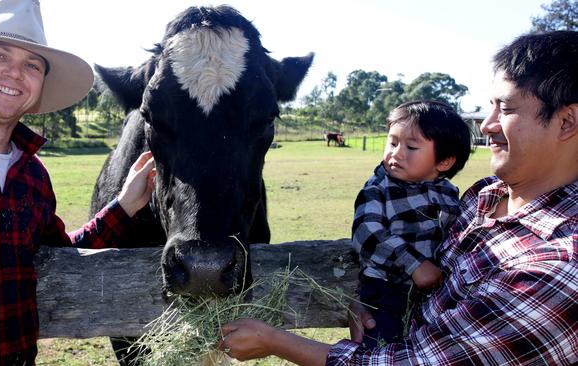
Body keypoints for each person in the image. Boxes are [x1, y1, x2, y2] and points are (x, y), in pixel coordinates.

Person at [218, 30, 578, 366]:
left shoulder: (557, 267)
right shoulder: (482, 198)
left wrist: (276, 341)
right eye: (491, 106)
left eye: (507, 108)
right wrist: (369, 305)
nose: (486, 125)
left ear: (566, 122)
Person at [0, 1, 156, 365]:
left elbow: (60, 256)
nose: (15, 73)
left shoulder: (33, 177)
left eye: (32, 65)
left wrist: (125, 205)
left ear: (40, 85)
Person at [350, 100, 471, 348]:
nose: (396, 153)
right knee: (382, 348)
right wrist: (414, 264)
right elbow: (367, 233)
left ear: (445, 162)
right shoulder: (378, 188)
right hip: (386, 293)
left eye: (411, 147)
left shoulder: (449, 194)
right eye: (392, 142)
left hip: (435, 298)